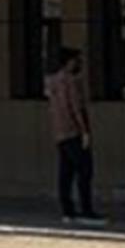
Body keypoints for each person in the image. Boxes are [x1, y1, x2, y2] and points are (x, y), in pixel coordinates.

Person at [45, 45, 99, 225]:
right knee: (84, 170)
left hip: (59, 132)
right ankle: (86, 209)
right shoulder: (71, 82)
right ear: (69, 62)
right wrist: (84, 131)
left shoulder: (52, 82)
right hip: (73, 131)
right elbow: (76, 107)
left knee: (65, 173)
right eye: (77, 61)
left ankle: (67, 210)